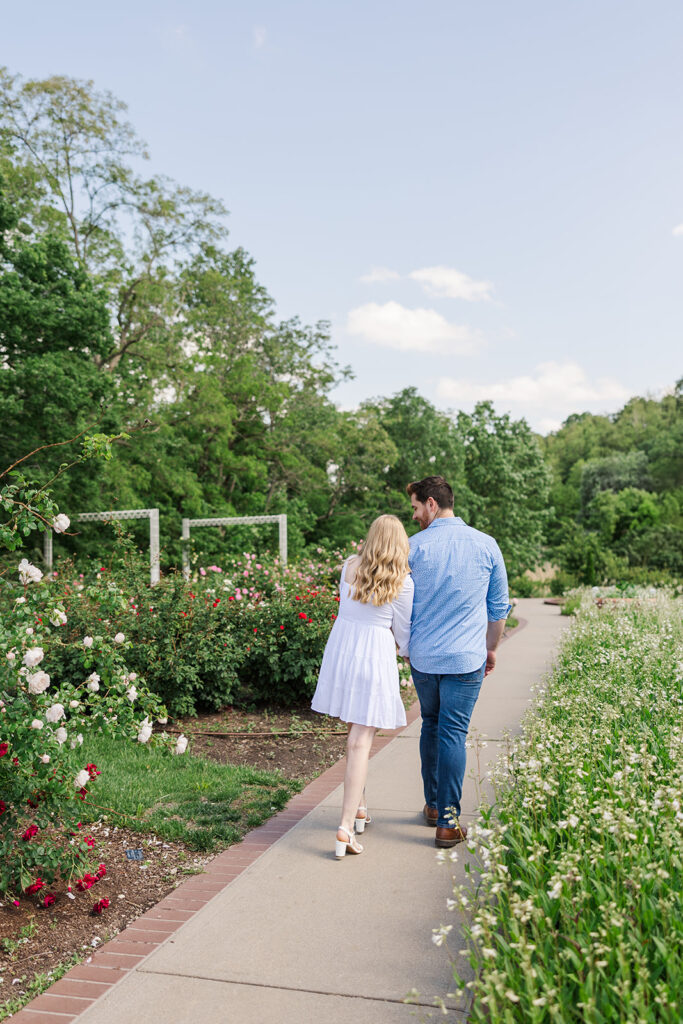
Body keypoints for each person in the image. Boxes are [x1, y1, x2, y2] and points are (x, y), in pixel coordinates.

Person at [406, 475, 510, 849]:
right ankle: (448, 824)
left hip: (424, 657)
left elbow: (401, 603)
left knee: (430, 725)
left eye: (416, 507)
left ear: (432, 504)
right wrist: (491, 648)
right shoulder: (486, 545)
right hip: (466, 659)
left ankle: (434, 807)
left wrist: (404, 644)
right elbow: (499, 608)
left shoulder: (412, 548)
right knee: (452, 732)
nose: (414, 515)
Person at [311, 515, 414, 859]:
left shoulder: (349, 567)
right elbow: (403, 635)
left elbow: (347, 609)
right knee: (360, 742)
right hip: (374, 657)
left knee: (355, 737)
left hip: (343, 653)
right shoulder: (402, 582)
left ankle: (359, 807)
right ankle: (344, 826)